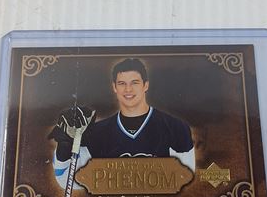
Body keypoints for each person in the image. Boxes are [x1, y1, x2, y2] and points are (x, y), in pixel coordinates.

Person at [49, 58, 195, 189]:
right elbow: (66, 181)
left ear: (146, 85)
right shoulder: (97, 133)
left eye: (134, 83)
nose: (128, 89)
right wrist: (65, 145)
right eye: (122, 83)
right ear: (114, 87)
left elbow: (185, 178)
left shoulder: (176, 128)